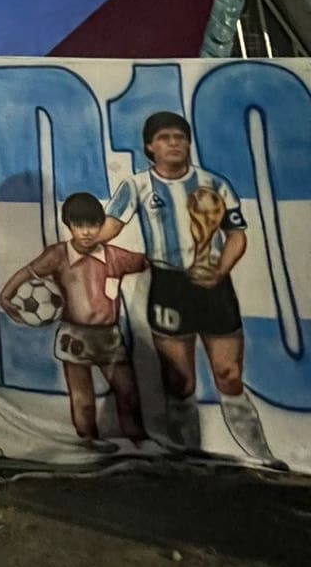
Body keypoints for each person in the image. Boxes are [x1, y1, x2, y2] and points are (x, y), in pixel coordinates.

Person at [100, 111, 276, 463]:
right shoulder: (136, 186)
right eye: (165, 138)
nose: (174, 143)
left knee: (229, 376)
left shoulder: (214, 184)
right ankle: (187, 457)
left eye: (180, 137)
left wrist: (221, 269)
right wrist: (76, 244)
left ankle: (264, 458)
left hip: (214, 286)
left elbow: (237, 235)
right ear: (150, 146)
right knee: (181, 383)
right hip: (169, 286)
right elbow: (110, 227)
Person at [0, 193, 149, 450]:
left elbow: (147, 261)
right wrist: (6, 296)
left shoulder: (114, 256)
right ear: (69, 225)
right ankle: (88, 439)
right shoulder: (58, 255)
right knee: (83, 398)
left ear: (102, 225)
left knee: (127, 391)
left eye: (93, 225)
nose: (87, 232)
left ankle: (138, 438)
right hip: (74, 335)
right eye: (80, 226)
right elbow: (27, 272)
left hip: (109, 335)